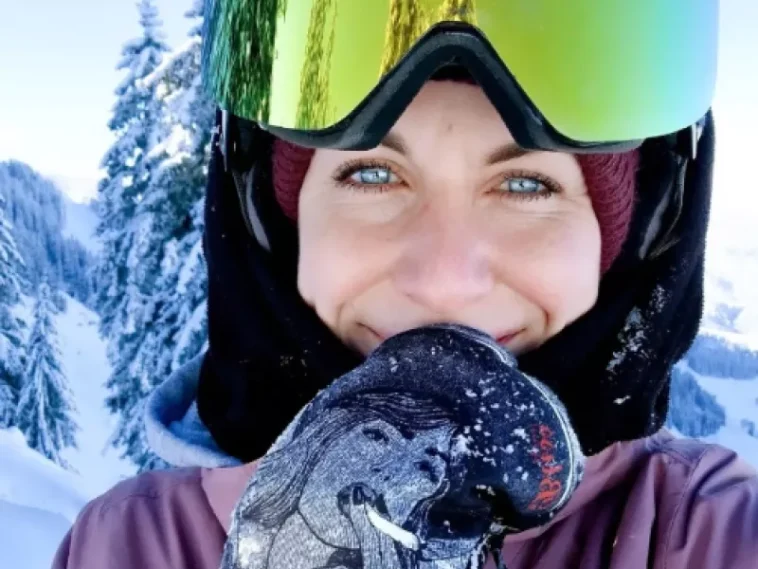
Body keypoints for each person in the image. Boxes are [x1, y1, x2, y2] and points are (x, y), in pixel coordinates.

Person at [52, 1, 758, 568]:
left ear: (636, 236)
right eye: (371, 174)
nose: (445, 281)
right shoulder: (125, 548)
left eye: (526, 184)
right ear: (276, 225)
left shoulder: (712, 534)